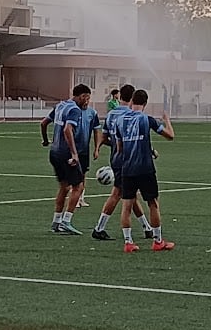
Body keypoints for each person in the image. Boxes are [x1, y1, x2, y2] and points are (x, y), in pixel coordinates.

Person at [91, 83, 154, 241]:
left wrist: (104, 146)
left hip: (115, 158)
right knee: (118, 194)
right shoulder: (131, 115)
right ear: (132, 98)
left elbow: (105, 137)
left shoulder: (112, 114)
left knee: (130, 195)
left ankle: (146, 227)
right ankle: (99, 227)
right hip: (129, 160)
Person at [116, 88, 175, 252]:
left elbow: (120, 148)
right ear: (145, 103)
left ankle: (128, 242)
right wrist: (167, 120)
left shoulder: (120, 121)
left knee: (126, 205)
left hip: (127, 169)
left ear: (132, 101)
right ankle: (158, 241)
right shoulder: (147, 119)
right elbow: (170, 135)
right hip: (145, 168)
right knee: (153, 203)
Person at [41, 84, 91, 235]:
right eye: (87, 98)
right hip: (66, 154)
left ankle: (56, 221)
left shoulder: (61, 105)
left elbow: (43, 123)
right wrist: (74, 154)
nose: (87, 102)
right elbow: (67, 129)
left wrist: (45, 140)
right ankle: (66, 221)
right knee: (78, 186)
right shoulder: (74, 109)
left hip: (54, 152)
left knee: (64, 186)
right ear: (81, 96)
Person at [76, 99, 101, 208]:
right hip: (73, 149)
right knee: (75, 175)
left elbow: (96, 131)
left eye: (88, 99)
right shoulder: (73, 112)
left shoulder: (92, 113)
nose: (86, 102)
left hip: (84, 149)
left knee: (83, 174)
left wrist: (96, 149)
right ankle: (75, 199)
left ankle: (81, 198)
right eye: (84, 99)